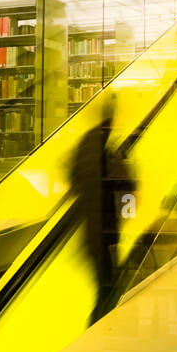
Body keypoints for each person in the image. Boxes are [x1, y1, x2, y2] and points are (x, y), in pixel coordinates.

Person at [69, 92, 134, 325]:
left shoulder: (89, 142)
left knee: (105, 283)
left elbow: (73, 180)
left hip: (94, 230)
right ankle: (98, 330)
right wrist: (128, 214)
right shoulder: (108, 147)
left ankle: (100, 328)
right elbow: (127, 185)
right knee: (108, 284)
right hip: (104, 230)